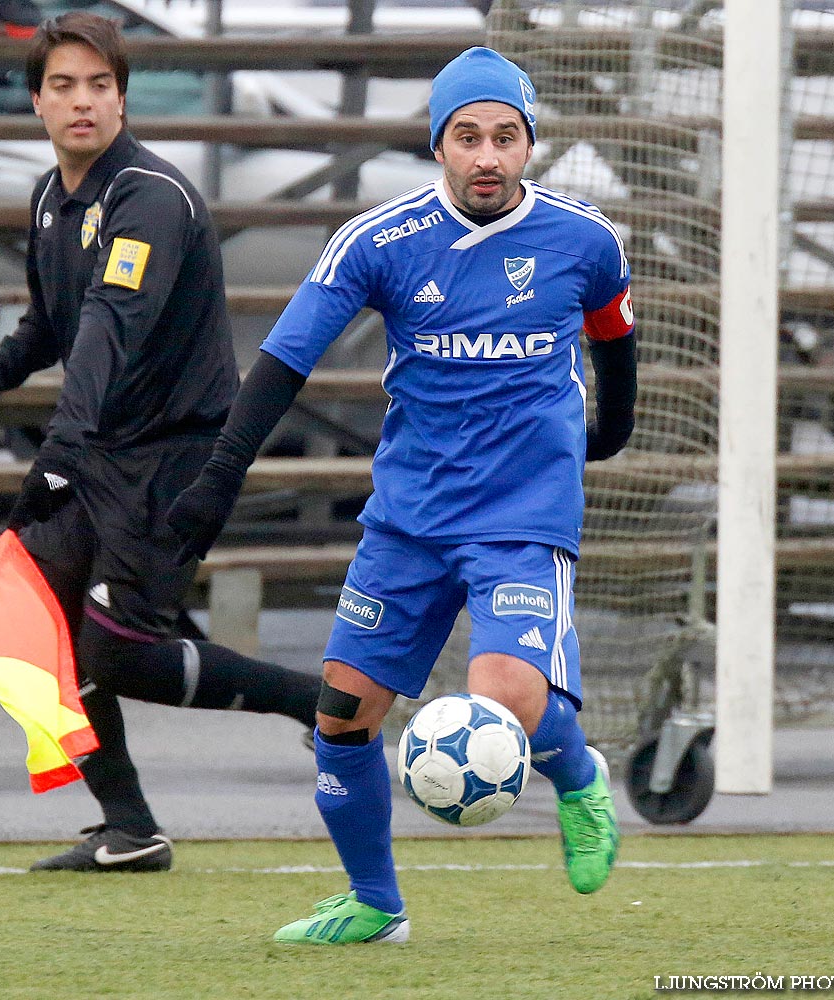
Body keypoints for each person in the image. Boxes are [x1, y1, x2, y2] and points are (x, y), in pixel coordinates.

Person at [168, 46, 637, 943]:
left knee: (509, 698)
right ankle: (377, 907)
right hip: (410, 519)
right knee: (342, 715)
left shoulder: (584, 241)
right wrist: (219, 477)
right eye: (469, 137)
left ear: (530, 143)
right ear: (439, 145)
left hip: (522, 517)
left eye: (506, 136)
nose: (488, 156)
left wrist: (605, 435)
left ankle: (575, 774)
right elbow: (283, 362)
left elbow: (614, 342)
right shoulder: (380, 243)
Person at [0, 12, 320, 872]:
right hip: (106, 451)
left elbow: (107, 333)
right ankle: (129, 830)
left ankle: (316, 700)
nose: (82, 101)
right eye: (63, 85)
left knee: (117, 651)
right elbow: (54, 326)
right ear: (37, 101)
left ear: (123, 97)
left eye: (99, 84)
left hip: (175, 457)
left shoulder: (150, 199)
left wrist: (54, 460)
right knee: (31, 622)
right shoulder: (54, 198)